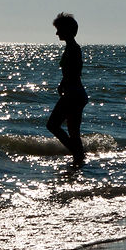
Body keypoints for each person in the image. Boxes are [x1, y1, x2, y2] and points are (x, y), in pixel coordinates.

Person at [47, 12, 88, 163]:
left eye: (59, 29)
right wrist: (63, 83)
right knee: (73, 132)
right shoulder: (71, 48)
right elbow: (72, 71)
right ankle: (78, 158)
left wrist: (66, 84)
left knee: (52, 125)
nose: (57, 33)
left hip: (74, 95)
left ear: (68, 30)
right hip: (75, 93)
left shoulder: (74, 49)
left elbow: (75, 72)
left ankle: (78, 154)